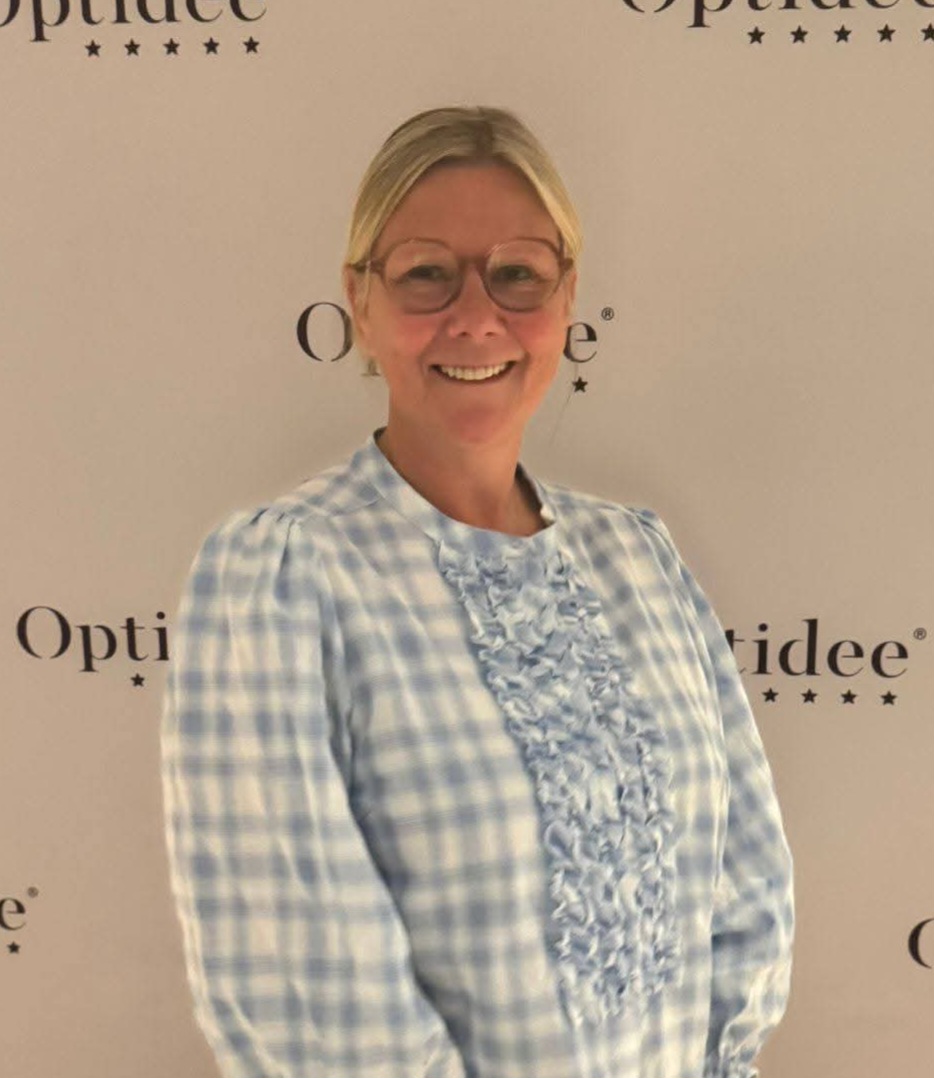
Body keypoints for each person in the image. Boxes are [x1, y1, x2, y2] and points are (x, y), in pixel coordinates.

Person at [161, 105, 794, 1078]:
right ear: (359, 300)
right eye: (426, 273)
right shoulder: (288, 578)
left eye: (517, 274)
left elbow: (745, 890)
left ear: (566, 296)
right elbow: (310, 993)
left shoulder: (639, 557)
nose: (474, 315)